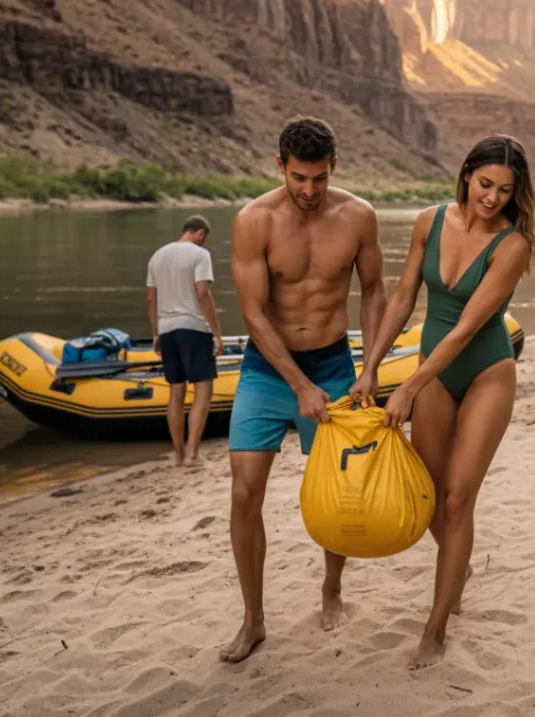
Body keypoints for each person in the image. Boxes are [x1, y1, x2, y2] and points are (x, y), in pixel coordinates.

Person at [349, 135, 535, 670]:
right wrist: (370, 369)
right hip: (433, 372)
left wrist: (407, 385)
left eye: (505, 190)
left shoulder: (512, 245)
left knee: (458, 500)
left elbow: (465, 329)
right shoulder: (429, 222)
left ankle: (435, 627)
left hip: (485, 372)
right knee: (428, 498)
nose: (492, 198)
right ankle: (460, 562)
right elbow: (404, 297)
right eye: (485, 184)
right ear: (465, 174)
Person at [219, 116, 388, 663]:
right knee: (244, 493)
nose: (309, 191)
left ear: (334, 166)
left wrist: (371, 367)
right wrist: (299, 385)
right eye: (298, 178)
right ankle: (254, 619)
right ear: (279, 167)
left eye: (318, 178)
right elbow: (252, 311)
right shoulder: (254, 221)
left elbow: (375, 290)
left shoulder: (359, 216)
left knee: (339, 493)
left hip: (337, 364)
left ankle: (332, 590)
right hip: (269, 371)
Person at [146, 214, 224, 467]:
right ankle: (192, 453)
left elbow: (150, 299)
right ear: (201, 233)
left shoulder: (157, 256)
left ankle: (178, 454)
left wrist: (156, 333)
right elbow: (203, 293)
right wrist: (217, 333)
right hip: (192, 327)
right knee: (203, 389)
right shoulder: (199, 255)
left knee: (176, 391)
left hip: (167, 330)